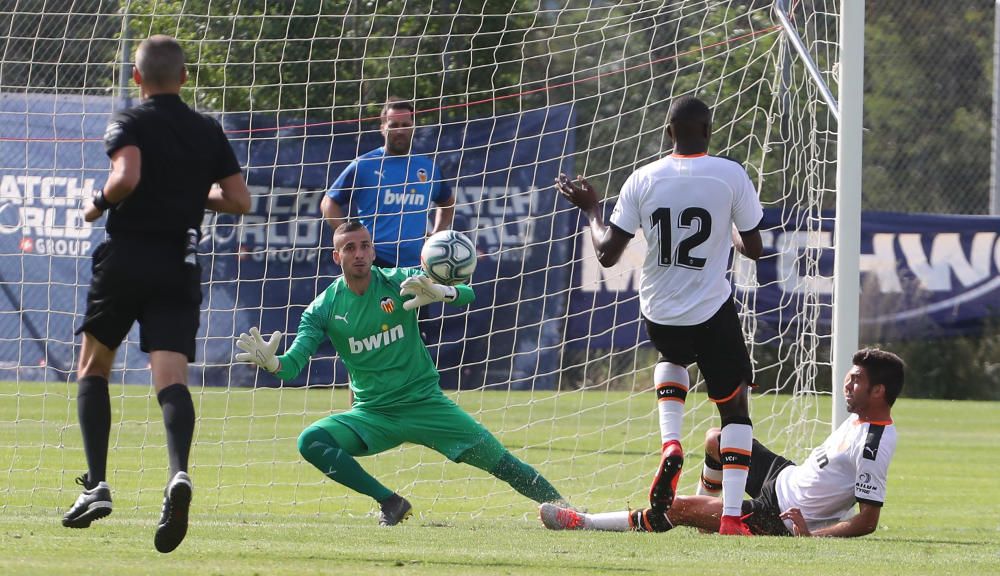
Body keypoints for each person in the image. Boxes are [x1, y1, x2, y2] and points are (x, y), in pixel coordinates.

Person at [234, 221, 567, 525]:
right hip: (373, 415)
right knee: (311, 441)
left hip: (425, 405)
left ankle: (568, 511)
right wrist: (272, 364)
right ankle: (390, 502)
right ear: (337, 256)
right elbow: (292, 365)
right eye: (350, 248)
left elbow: (468, 293)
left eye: (365, 246)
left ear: (373, 251)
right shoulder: (323, 308)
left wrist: (442, 291)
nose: (359, 253)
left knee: (502, 463)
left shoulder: (398, 281)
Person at [62, 35, 251, 554]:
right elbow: (238, 199)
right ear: (185, 77)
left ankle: (97, 484)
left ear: (136, 77)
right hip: (179, 263)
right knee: (171, 380)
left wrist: (97, 202)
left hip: (127, 259)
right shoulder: (206, 129)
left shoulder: (131, 121)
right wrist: (194, 192)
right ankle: (178, 474)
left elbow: (126, 176)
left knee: (93, 367)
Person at [554, 95, 764, 535]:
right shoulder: (730, 174)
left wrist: (592, 208)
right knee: (735, 413)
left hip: (661, 307)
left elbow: (607, 254)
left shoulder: (642, 178)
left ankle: (671, 443)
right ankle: (729, 518)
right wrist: (728, 230)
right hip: (711, 308)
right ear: (708, 131)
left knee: (671, 360)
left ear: (668, 133)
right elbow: (755, 248)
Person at [539, 348, 904, 538]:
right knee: (718, 439)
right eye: (849, 377)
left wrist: (812, 537)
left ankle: (585, 522)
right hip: (784, 478)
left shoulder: (874, 443)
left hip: (779, 517)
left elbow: (868, 521)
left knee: (678, 507)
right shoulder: (860, 417)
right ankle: (709, 517)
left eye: (856, 380)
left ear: (879, 391)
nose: (846, 383)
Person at [320, 98, 455, 268]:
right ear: (383, 128)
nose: (400, 130)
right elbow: (329, 202)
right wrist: (351, 239)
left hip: (418, 265)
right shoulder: (364, 165)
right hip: (376, 265)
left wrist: (436, 234)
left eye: (405, 124)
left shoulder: (428, 168)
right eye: (393, 125)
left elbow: (447, 202)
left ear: (413, 127)